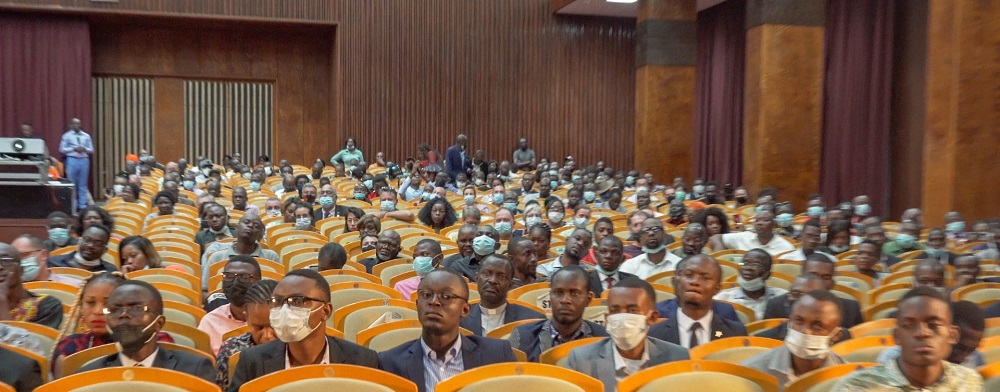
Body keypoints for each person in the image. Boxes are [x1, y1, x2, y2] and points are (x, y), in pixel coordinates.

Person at [228, 269, 379, 391]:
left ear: (325, 311)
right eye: (278, 301)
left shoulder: (362, 361)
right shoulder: (252, 361)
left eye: (298, 301)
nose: (285, 309)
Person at [379, 269, 515, 392]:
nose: (434, 302)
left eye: (446, 296)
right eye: (426, 295)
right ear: (417, 305)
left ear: (465, 310)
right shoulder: (390, 362)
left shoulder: (496, 354)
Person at [832, 287, 983, 391]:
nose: (922, 333)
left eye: (933, 325)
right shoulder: (857, 386)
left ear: (952, 335)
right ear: (897, 336)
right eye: (909, 325)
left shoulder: (970, 382)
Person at [76, 280, 214, 382]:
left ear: (158, 324)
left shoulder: (194, 369)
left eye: (136, 308)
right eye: (115, 309)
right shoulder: (88, 375)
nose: (123, 315)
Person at [567, 278, 689, 390]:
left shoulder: (678, 359)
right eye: (615, 311)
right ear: (607, 318)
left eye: (632, 310)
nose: (622, 317)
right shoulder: (581, 360)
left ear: (652, 318)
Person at [53, 272, 175, 375]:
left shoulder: (156, 339)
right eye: (90, 303)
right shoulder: (70, 347)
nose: (98, 311)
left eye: (108, 304)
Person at [742, 290, 846, 390]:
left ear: (836, 335)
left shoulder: (846, 377)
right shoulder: (753, 371)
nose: (805, 331)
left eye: (818, 325)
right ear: (790, 322)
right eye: (799, 320)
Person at [509, 266, 608, 362]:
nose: (565, 300)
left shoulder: (605, 339)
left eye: (575, 293)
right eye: (558, 293)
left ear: (588, 299)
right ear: (550, 296)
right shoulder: (522, 336)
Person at [648, 254, 747, 346]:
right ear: (675, 281)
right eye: (689, 275)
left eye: (705, 278)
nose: (695, 282)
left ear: (716, 289)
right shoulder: (653, 333)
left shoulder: (736, 332)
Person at [875, 300, 986, 370]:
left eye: (971, 350)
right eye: (959, 348)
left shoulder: (976, 358)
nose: (963, 357)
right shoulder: (893, 359)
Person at [762, 254, 864, 329]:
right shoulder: (776, 305)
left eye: (826, 277)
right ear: (802, 276)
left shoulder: (851, 308)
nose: (818, 281)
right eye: (813, 275)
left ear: (832, 284)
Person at [215, 279, 277, 389]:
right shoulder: (231, 349)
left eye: (275, 326)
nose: (268, 335)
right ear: (246, 317)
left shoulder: (297, 349)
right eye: (259, 328)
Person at [461, 255, 544, 336]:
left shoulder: (532, 320)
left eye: (502, 277)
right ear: (476, 278)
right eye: (486, 274)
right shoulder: (460, 318)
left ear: (510, 285)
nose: (493, 280)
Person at [199, 255, 262, 356]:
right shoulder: (210, 321)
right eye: (229, 276)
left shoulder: (270, 320)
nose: (235, 282)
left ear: (258, 281)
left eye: (244, 277)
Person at [201, 215, 280, 291]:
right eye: (246, 222)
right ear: (236, 228)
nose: (250, 226)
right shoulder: (217, 257)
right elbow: (205, 291)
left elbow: (278, 291)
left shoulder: (271, 256)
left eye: (256, 226)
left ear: (261, 235)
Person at [714, 249, 788, 320]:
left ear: (767, 274)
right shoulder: (722, 299)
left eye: (756, 265)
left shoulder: (782, 298)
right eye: (744, 264)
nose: (748, 268)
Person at [709, 211, 796, 256]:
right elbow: (715, 238)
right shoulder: (744, 236)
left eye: (765, 220)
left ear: (774, 224)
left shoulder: (786, 247)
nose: (759, 223)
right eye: (757, 220)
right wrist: (719, 252)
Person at [11, 235, 81, 285]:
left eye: (25, 255)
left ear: (43, 255)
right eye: (15, 257)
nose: (19, 261)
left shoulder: (73, 285)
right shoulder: (7, 291)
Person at [48, 224, 117, 273]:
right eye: (87, 240)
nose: (90, 245)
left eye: (97, 243)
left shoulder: (110, 272)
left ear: (105, 250)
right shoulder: (54, 263)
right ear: (80, 241)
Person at [59, 118, 95, 208]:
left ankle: (82, 205)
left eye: (78, 124)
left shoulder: (86, 136)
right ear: (70, 125)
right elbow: (61, 149)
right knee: (72, 184)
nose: (76, 126)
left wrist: (84, 149)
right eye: (74, 124)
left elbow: (92, 150)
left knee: (83, 184)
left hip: (84, 160)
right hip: (72, 159)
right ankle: (73, 205)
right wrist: (73, 149)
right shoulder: (66, 136)